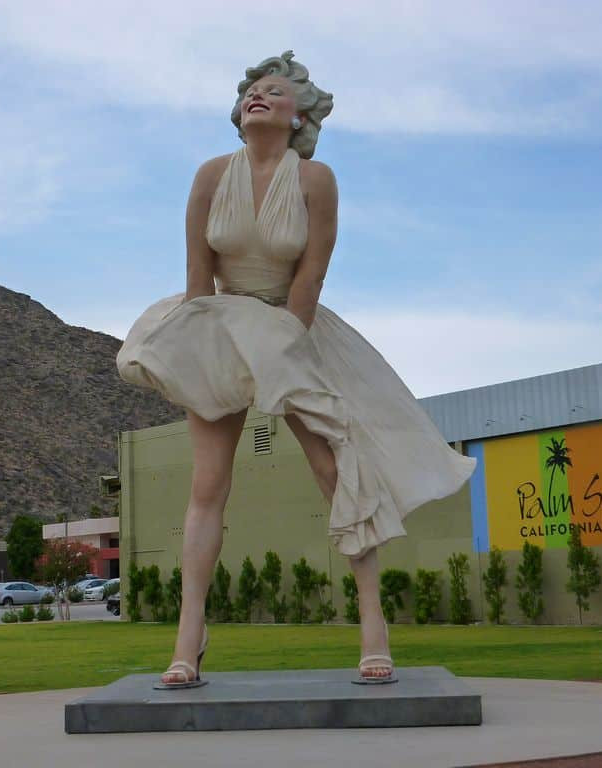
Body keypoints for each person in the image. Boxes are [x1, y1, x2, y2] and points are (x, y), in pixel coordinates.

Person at [117, 51, 477, 688]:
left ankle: (373, 624)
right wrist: (202, 352)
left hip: (294, 328)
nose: (258, 96)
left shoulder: (315, 180)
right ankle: (188, 637)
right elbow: (199, 279)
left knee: (335, 471)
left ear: (299, 116)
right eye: (252, 90)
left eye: (275, 91)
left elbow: (311, 277)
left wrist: (283, 348)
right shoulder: (210, 175)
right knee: (207, 485)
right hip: (221, 326)